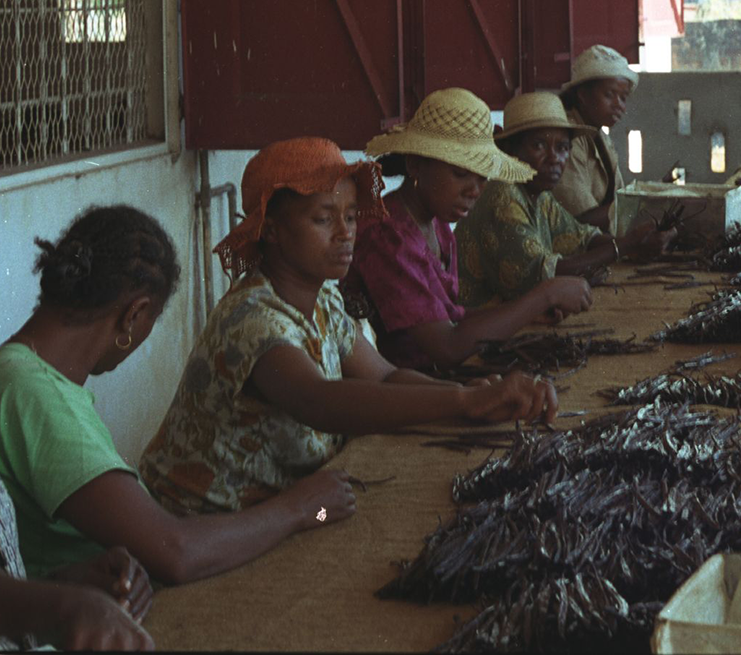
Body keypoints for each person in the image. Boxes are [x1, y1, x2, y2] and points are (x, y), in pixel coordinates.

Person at [141, 138, 558, 520]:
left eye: (352, 216)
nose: (346, 234)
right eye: (324, 219)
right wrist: (465, 404)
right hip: (204, 523)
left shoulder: (323, 300)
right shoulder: (251, 318)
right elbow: (319, 400)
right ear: (271, 230)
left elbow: (386, 376)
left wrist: (471, 397)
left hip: (281, 510)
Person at [0, 205, 357, 589]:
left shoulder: (8, 373)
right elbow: (176, 553)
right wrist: (304, 508)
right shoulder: (30, 392)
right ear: (133, 316)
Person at [0, 214, 154, 651]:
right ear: (136, 315)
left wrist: (62, 586)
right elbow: (175, 551)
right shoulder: (23, 386)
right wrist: (57, 606)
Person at [343, 88, 595, 371]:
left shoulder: (436, 225)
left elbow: (449, 316)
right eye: (461, 174)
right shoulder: (388, 236)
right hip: (405, 390)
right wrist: (544, 295)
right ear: (415, 165)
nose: (474, 190)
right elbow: (447, 346)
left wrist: (526, 313)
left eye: (482, 176)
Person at [455, 92, 674, 307]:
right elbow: (546, 273)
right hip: (475, 327)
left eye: (562, 148)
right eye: (539, 145)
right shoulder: (503, 195)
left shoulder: (538, 195)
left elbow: (582, 238)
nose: (554, 159)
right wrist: (627, 245)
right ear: (510, 149)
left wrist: (639, 242)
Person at [555, 45, 635, 233]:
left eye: (623, 98)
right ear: (583, 95)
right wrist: (642, 203)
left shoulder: (600, 137)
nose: (619, 105)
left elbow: (619, 199)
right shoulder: (568, 139)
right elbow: (580, 221)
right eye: (609, 95)